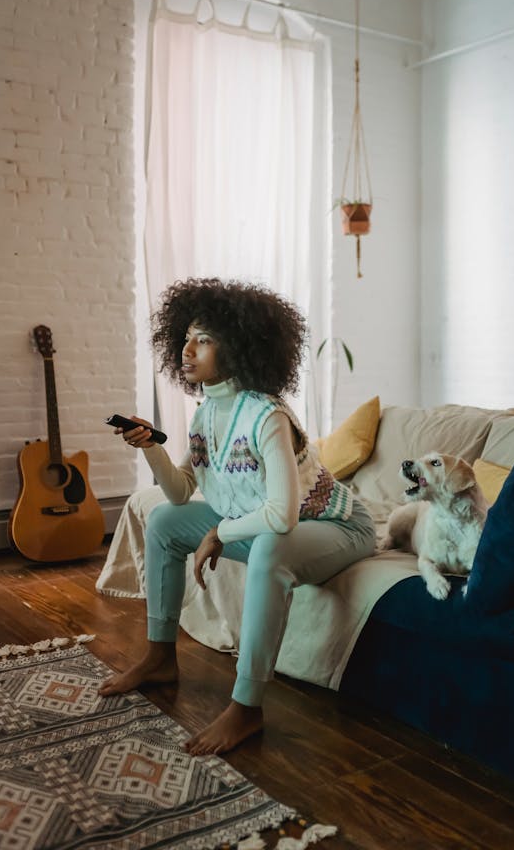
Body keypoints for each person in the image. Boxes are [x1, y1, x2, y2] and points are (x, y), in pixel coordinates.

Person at [98, 277, 376, 755]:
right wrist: (151, 448)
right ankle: (160, 657)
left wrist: (219, 532)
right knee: (163, 522)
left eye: (203, 339)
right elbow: (182, 492)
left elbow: (283, 515)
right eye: (185, 338)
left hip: (336, 528)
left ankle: (246, 707)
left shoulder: (267, 416)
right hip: (275, 525)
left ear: (239, 347)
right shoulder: (207, 413)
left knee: (269, 544)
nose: (187, 349)